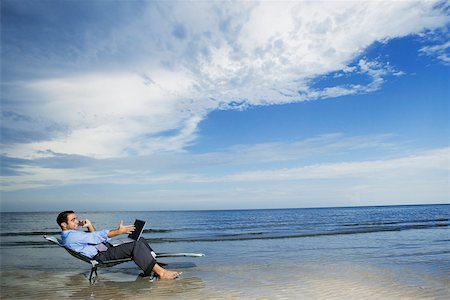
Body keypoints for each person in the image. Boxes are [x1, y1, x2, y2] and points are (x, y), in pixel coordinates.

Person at [57, 210, 181, 280]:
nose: (77, 221)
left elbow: (94, 239)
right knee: (135, 245)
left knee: (139, 239)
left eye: (76, 218)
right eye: (73, 220)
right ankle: (162, 273)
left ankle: (152, 265)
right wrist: (118, 231)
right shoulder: (71, 236)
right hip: (102, 256)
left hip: (105, 249)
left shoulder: (72, 234)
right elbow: (96, 237)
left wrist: (89, 225)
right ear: (63, 224)